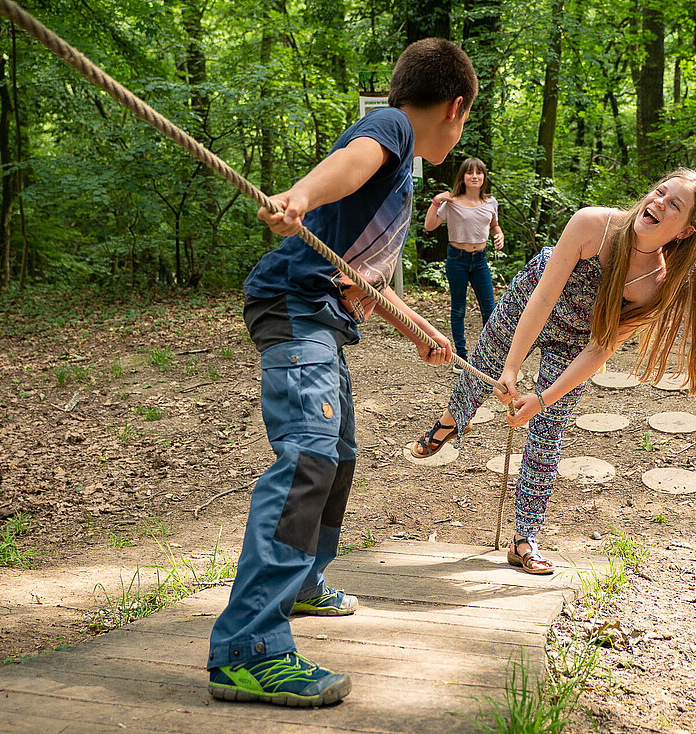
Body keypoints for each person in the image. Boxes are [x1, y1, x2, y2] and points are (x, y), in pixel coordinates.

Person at [206, 38, 476, 707]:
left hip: (321, 313)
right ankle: (249, 646)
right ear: (456, 107)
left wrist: (415, 327)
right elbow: (350, 162)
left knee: (339, 453)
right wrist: (298, 195)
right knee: (308, 458)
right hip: (293, 306)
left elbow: (359, 277)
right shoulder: (390, 130)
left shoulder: (404, 166)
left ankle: (302, 582)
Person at [408, 169, 696, 575]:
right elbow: (544, 296)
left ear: (685, 231)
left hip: (577, 341)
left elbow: (598, 350)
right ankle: (452, 421)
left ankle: (524, 540)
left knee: (548, 430)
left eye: (673, 204)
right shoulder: (593, 223)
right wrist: (513, 366)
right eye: (660, 192)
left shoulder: (656, 284)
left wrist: (541, 399)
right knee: (483, 364)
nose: (658, 201)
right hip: (532, 301)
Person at [425, 157, 504, 372]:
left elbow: (494, 227)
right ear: (463, 176)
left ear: (484, 177)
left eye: (479, 173)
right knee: (458, 308)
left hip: (480, 261)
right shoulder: (451, 202)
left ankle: (491, 355)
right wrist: (436, 201)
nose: (475, 176)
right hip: (457, 260)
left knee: (490, 309)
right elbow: (429, 225)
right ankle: (461, 356)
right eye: (470, 173)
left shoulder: (490, 202)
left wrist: (499, 235)